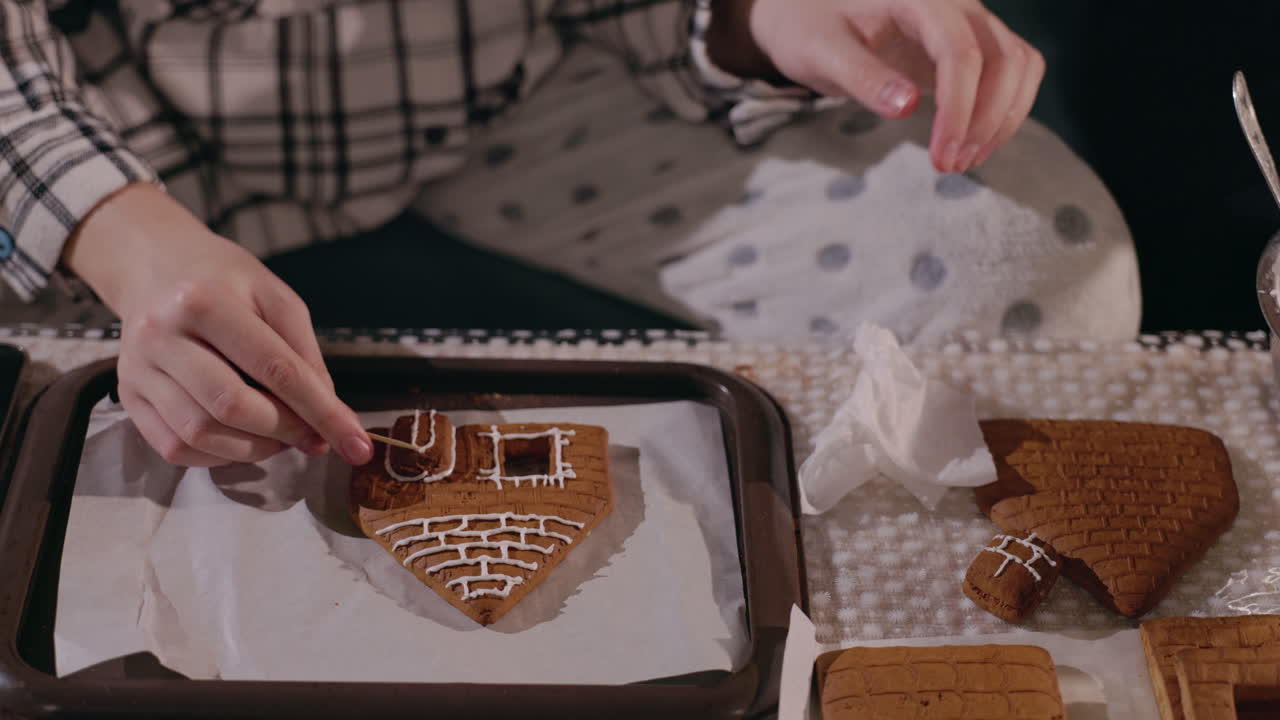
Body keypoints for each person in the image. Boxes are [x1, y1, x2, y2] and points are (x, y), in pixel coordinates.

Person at [0, 0, 1137, 469]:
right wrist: (121, 233)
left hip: (515, 78)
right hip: (104, 132)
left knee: (1040, 259)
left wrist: (751, 18)